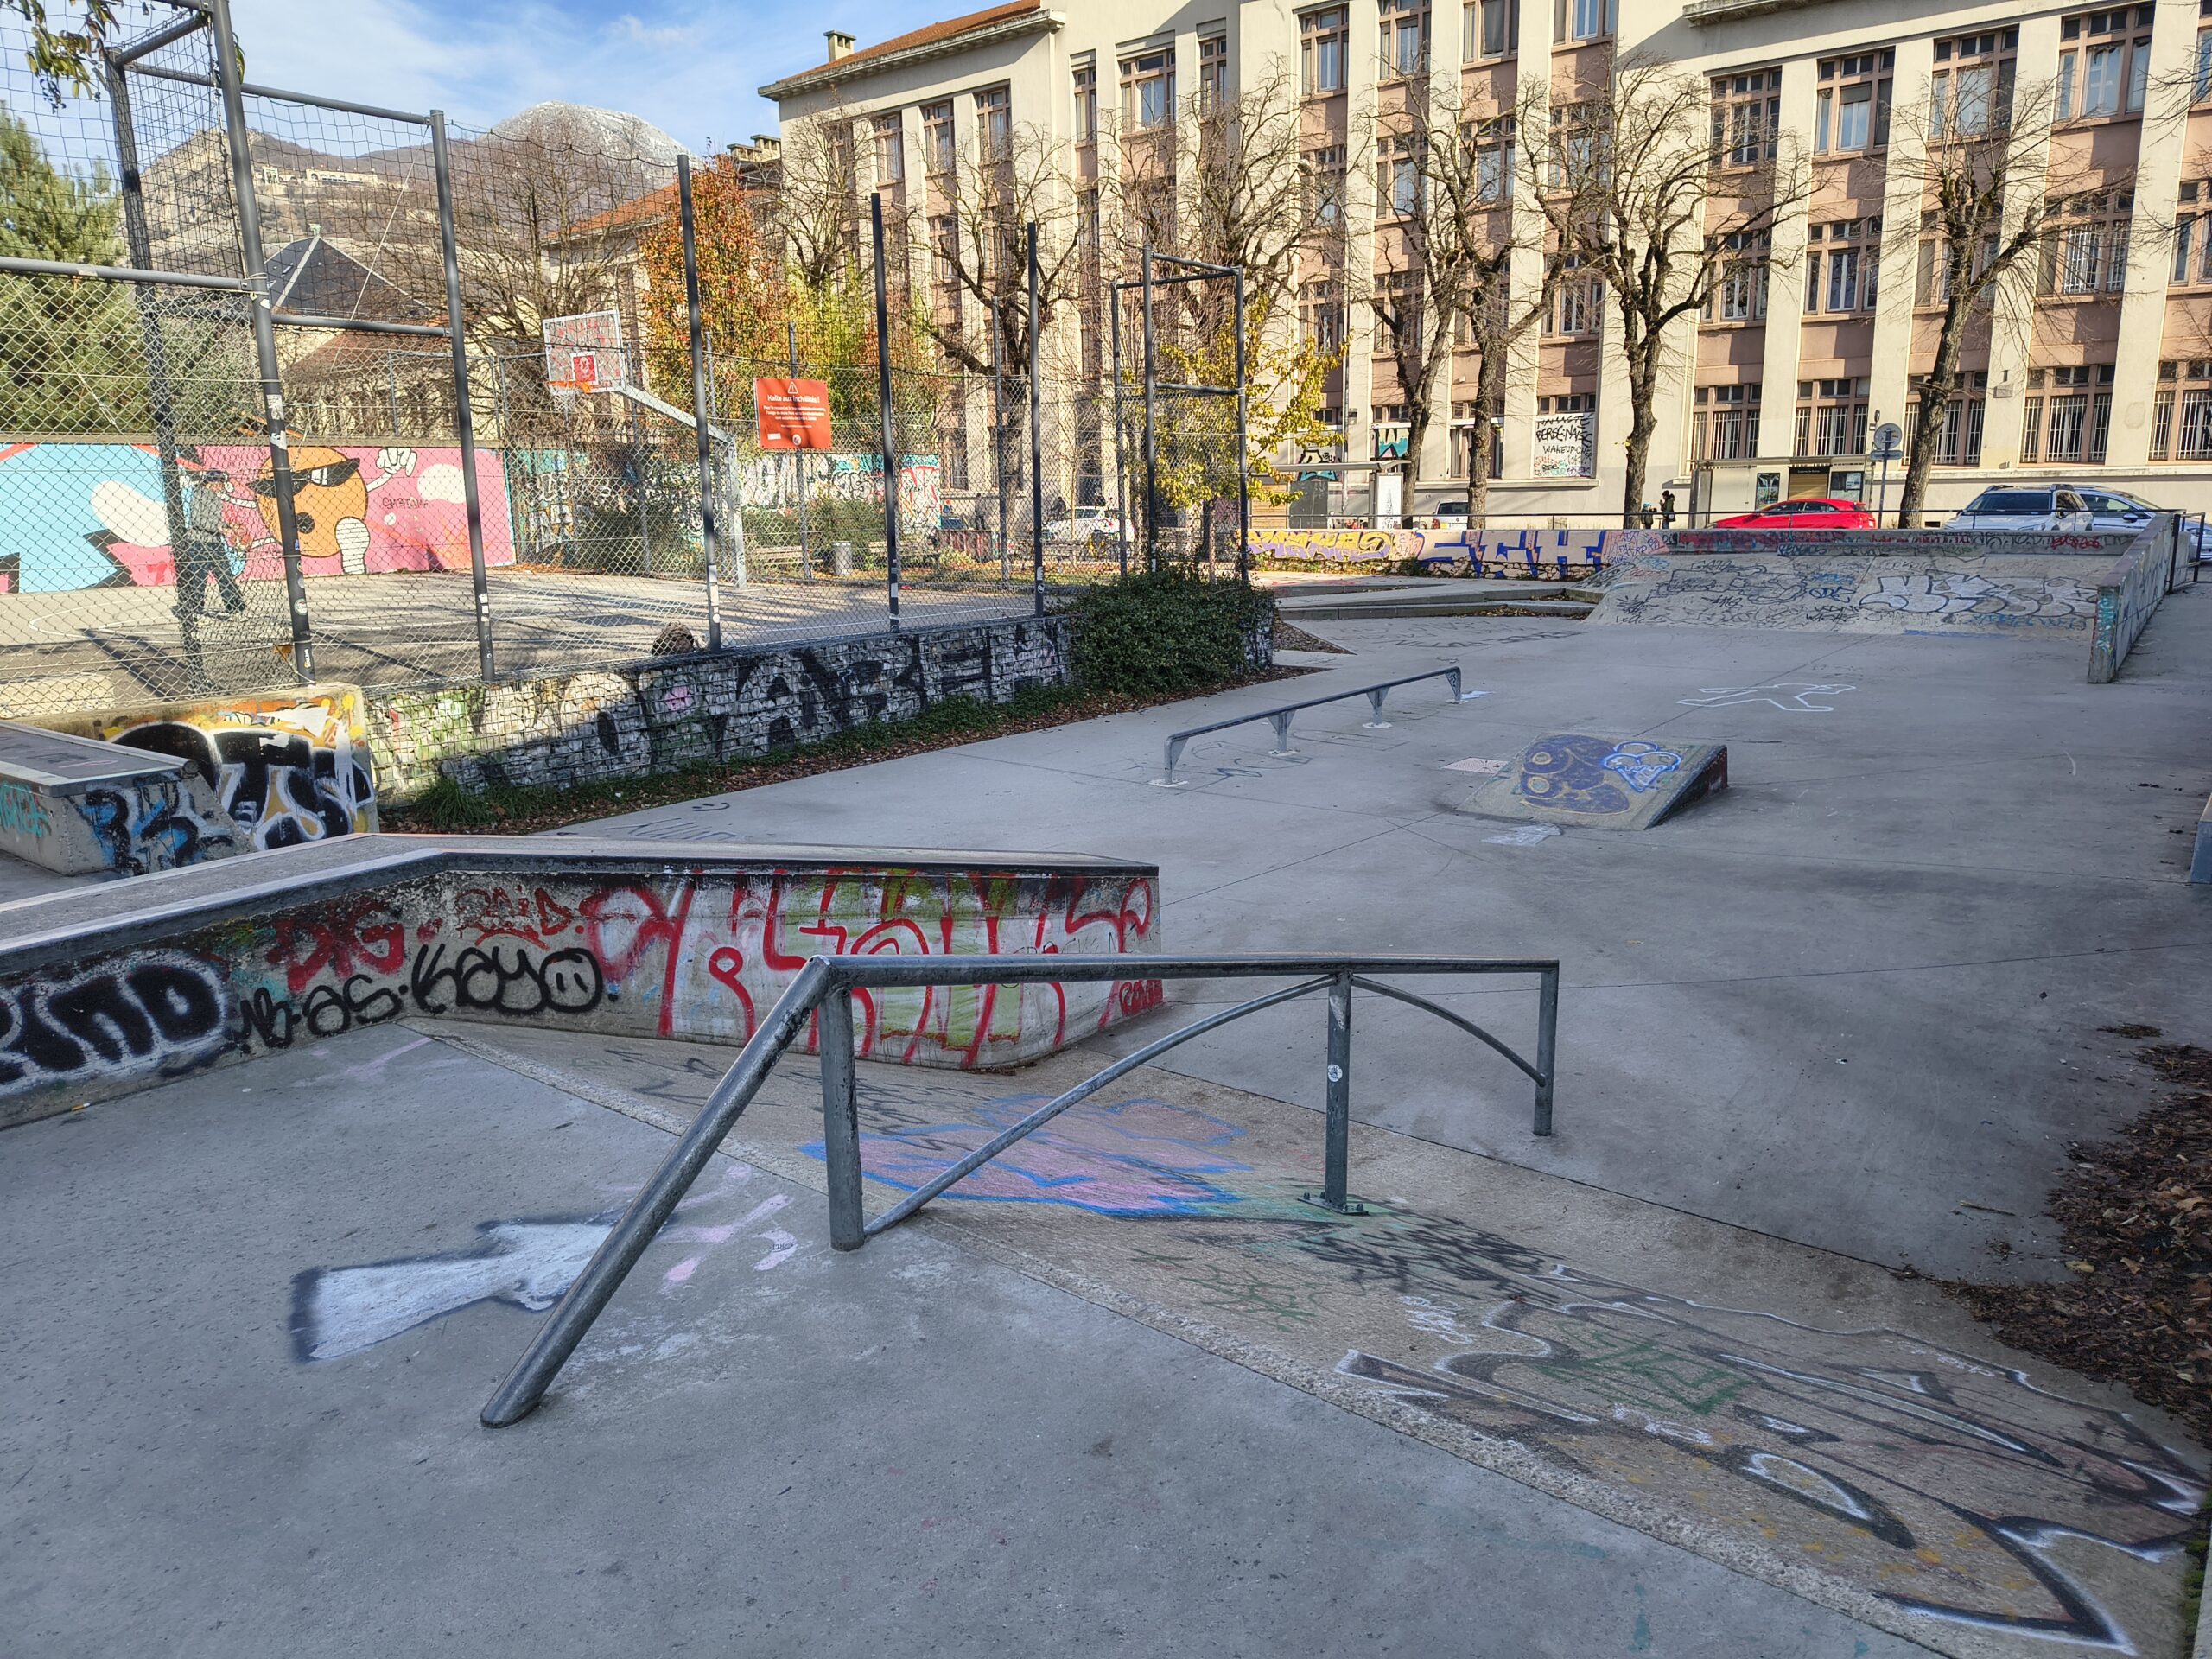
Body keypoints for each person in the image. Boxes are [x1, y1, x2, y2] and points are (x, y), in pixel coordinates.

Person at [174, 468, 245, 620]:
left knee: (225, 575)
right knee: (199, 578)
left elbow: (215, 521)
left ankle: (235, 609)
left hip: (214, 542)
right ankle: (195, 612)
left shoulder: (215, 497)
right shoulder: (198, 494)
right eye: (220, 482)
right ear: (212, 482)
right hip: (198, 542)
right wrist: (220, 528)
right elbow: (197, 520)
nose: (222, 486)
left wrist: (228, 526)